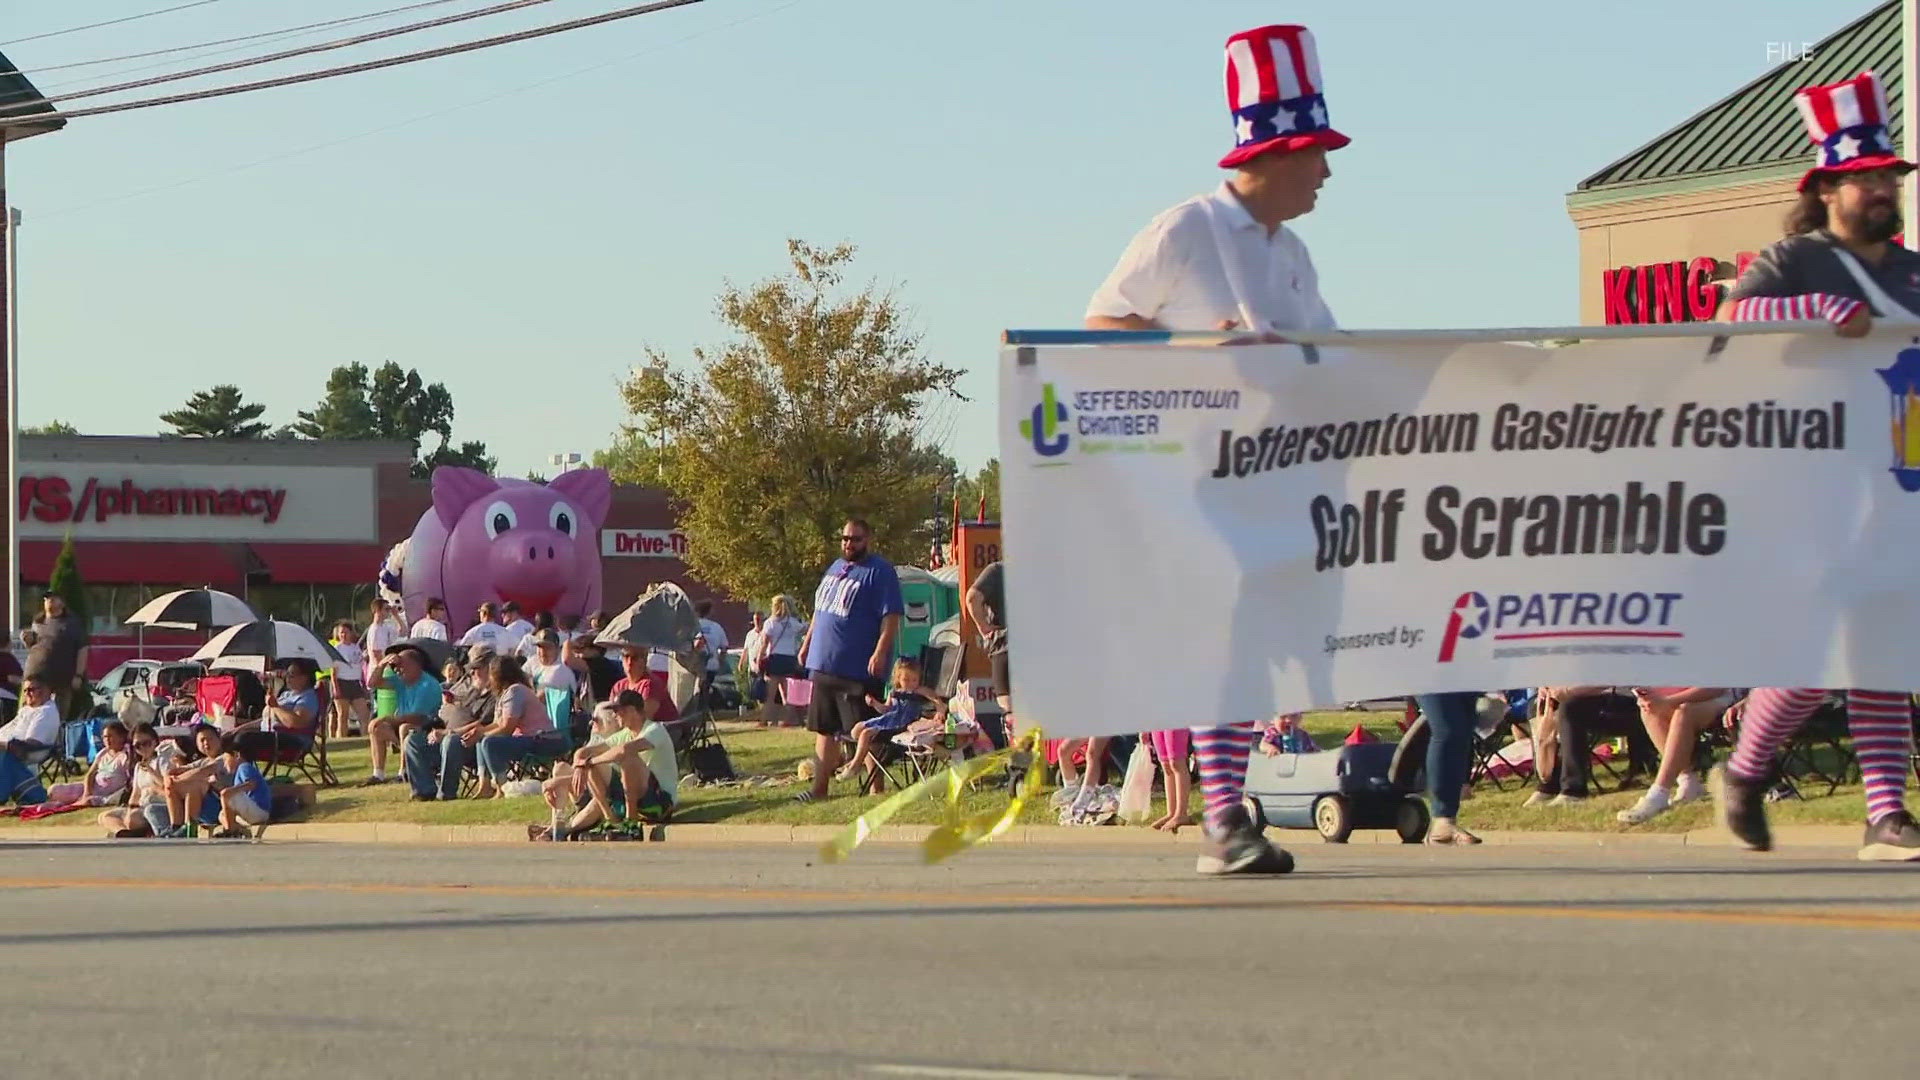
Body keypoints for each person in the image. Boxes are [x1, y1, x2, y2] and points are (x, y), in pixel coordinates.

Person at [1082, 24, 1351, 874]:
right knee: (1227, 640)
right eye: (1317, 156)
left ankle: (1227, 817)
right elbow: (1098, 330)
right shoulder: (1184, 231)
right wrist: (1197, 354)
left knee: (1262, 646)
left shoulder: (1293, 254)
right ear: (1276, 154)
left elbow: (1332, 357)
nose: (1328, 173)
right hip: (1189, 482)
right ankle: (1224, 820)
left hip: (1277, 481)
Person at [1713, 69, 1920, 861]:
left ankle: (1884, 815)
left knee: (1882, 644)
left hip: (1897, 479)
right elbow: (1732, 317)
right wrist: (1820, 309)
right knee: (1822, 652)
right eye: (1864, 178)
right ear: (1828, 186)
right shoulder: (1796, 259)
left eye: (1887, 177)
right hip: (1809, 484)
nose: (1879, 189)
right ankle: (1747, 768)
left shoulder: (1910, 271)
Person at [795, 518, 903, 803]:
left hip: (857, 667)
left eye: (855, 539)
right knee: (824, 728)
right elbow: (820, 611)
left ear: (867, 540)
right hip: (824, 664)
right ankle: (819, 790)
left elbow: (891, 616)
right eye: (844, 538)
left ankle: (875, 789)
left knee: (864, 729)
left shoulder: (880, 572)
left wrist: (880, 651)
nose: (849, 543)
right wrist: (807, 643)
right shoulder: (835, 568)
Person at [542, 689, 679, 840]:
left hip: (660, 802)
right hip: (638, 795)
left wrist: (589, 763)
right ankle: (610, 820)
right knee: (592, 763)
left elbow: (623, 750)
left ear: (632, 710)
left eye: (618, 711)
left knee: (627, 757)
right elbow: (584, 752)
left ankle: (631, 823)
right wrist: (581, 765)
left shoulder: (655, 729)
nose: (614, 715)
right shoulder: (625, 734)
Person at [1615, 687, 1727, 824]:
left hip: (1717, 699)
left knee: (1684, 712)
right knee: (1650, 710)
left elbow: (1716, 688)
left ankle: (1658, 794)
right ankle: (1688, 782)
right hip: (1674, 700)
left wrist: (1668, 701)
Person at [405, 646, 496, 802]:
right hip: (445, 737)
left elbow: (481, 726)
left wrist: (447, 733)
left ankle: (446, 793)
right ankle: (424, 791)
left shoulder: (495, 694)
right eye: (471, 669)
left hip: (473, 744)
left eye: (477, 669)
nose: (472, 673)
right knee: (413, 741)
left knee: (451, 741)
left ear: (491, 667)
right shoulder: (471, 690)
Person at [470, 655, 563, 798]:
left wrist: (483, 735)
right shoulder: (504, 694)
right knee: (480, 740)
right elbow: (498, 723)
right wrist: (479, 732)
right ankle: (485, 786)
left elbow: (507, 728)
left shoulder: (516, 691)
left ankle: (502, 788)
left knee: (488, 743)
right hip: (528, 739)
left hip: (543, 740)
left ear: (498, 675)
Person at [838, 657, 943, 783]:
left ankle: (855, 767)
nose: (910, 683)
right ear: (898, 678)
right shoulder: (894, 692)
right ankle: (855, 760)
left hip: (902, 724)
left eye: (914, 679)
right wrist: (875, 704)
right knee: (856, 730)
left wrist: (940, 711)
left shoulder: (918, 690)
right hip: (889, 719)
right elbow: (886, 709)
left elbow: (937, 699)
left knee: (865, 734)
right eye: (906, 679)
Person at [361, 647, 443, 787]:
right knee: (377, 727)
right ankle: (378, 774)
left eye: (401, 665)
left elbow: (417, 717)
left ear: (415, 665)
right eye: (395, 666)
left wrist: (386, 718)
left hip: (427, 725)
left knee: (405, 728)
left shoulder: (427, 684)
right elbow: (372, 684)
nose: (397, 669)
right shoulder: (401, 681)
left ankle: (403, 772)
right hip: (403, 722)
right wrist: (382, 664)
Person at [231, 660, 320, 763]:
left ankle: (244, 773)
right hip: (271, 734)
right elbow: (265, 720)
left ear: (305, 677)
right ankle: (225, 773)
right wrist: (239, 728)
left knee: (242, 739)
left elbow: (295, 722)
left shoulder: (308, 697)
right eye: (287, 674)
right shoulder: (287, 694)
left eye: (292, 675)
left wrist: (275, 706)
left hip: (292, 740)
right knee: (228, 737)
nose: (287, 678)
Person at [25, 592, 90, 723]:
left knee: (57, 718)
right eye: (46, 599)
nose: (49, 601)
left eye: (53, 599)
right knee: (31, 715)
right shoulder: (38, 622)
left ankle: (55, 742)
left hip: (61, 679)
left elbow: (82, 650)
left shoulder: (72, 624)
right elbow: (34, 648)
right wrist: (28, 641)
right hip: (35, 677)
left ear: (62, 603)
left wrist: (78, 675)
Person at [965, 560, 1011, 746]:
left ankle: (1022, 766)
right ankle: (1047, 763)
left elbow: (972, 598)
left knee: (1011, 713)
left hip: (1005, 647)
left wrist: (984, 627)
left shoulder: (998, 570)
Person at [158, 724, 229, 837]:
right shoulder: (203, 761)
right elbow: (177, 771)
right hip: (203, 808)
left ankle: (189, 826)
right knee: (169, 782)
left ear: (218, 739)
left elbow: (201, 772)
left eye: (210, 738)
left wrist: (177, 780)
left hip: (220, 808)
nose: (206, 743)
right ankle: (176, 826)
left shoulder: (225, 758)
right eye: (202, 740)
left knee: (195, 784)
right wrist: (170, 779)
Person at [0, 675, 60, 805]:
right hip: (9, 748)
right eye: (25, 690)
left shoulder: (45, 711)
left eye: (31, 689)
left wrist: (4, 745)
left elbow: (30, 745)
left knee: (4, 756)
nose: (27, 693)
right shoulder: (26, 710)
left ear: (46, 690)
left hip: (28, 752)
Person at [99, 724, 167, 837]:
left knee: (133, 818)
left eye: (146, 743)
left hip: (156, 805)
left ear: (155, 742)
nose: (142, 748)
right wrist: (130, 808)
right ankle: (123, 833)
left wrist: (151, 772)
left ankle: (133, 832)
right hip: (140, 806)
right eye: (137, 746)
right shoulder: (139, 767)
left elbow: (169, 788)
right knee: (104, 817)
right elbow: (136, 793)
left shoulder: (162, 761)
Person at [47, 720, 132, 808]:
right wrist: (87, 793)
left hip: (109, 793)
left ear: (121, 737)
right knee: (53, 790)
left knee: (92, 800)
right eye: (105, 737)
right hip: (93, 788)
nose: (107, 740)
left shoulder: (126, 754)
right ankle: (81, 800)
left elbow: (130, 779)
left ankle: (82, 801)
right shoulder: (102, 753)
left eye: (110, 736)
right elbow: (90, 774)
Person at [757, 595, 806, 728]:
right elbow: (804, 630)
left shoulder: (770, 622)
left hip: (775, 658)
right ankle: (790, 719)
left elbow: (765, 643)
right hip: (790, 658)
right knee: (787, 692)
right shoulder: (792, 622)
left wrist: (759, 658)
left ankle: (765, 719)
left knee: (771, 693)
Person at [211, 734, 272, 838]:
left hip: (259, 810)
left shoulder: (244, 766)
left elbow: (251, 784)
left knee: (227, 794)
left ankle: (229, 831)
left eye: (226, 760)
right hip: (251, 812)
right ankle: (240, 831)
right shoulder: (240, 771)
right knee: (222, 815)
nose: (225, 765)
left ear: (236, 755)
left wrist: (228, 792)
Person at [329, 620, 370, 739]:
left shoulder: (356, 648)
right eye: (341, 633)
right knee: (343, 715)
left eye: (346, 632)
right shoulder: (337, 649)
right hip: (341, 682)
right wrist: (336, 688)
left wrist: (363, 683)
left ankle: (364, 739)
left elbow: (360, 666)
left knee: (364, 714)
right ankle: (341, 740)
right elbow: (333, 671)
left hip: (355, 683)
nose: (344, 635)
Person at [522, 629, 578, 696]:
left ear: (557, 649)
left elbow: (542, 697)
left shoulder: (561, 671)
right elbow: (519, 678)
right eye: (540, 647)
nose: (542, 652)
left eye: (547, 647)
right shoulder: (533, 661)